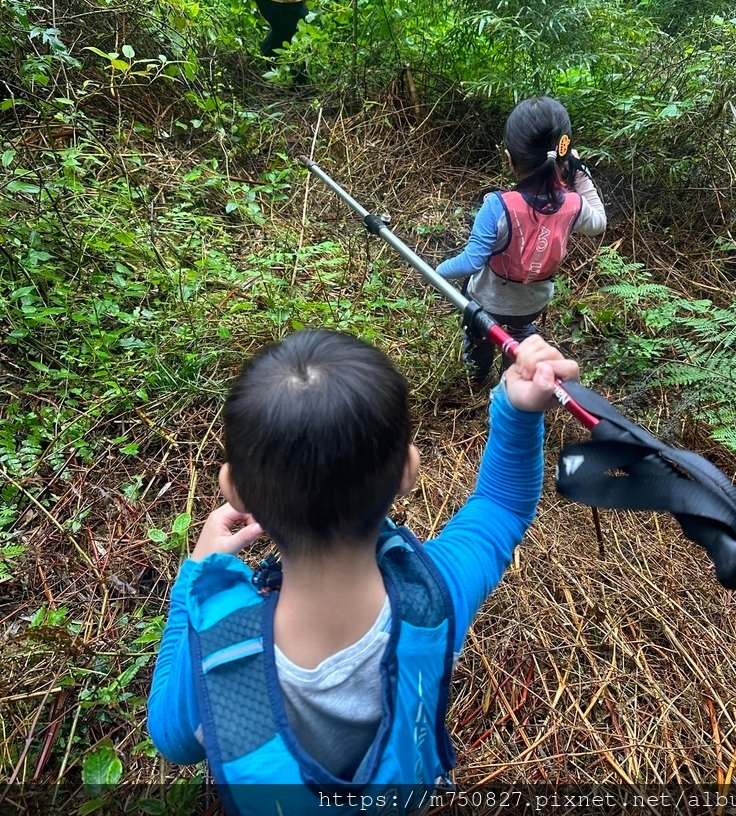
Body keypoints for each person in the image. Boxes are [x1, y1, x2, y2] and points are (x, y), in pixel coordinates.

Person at [147, 329, 579, 813]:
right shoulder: (435, 594)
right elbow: (501, 507)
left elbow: (171, 738)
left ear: (234, 490)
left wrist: (196, 580)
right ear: (408, 472)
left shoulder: (222, 654)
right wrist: (518, 410)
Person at [436, 96, 606, 386]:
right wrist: (579, 170)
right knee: (517, 327)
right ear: (563, 154)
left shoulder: (498, 206)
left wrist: (437, 271)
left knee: (480, 331)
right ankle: (514, 369)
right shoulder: (574, 205)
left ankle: (476, 375)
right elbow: (599, 222)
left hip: (487, 301)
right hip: (532, 303)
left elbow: (472, 261)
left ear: (509, 157)